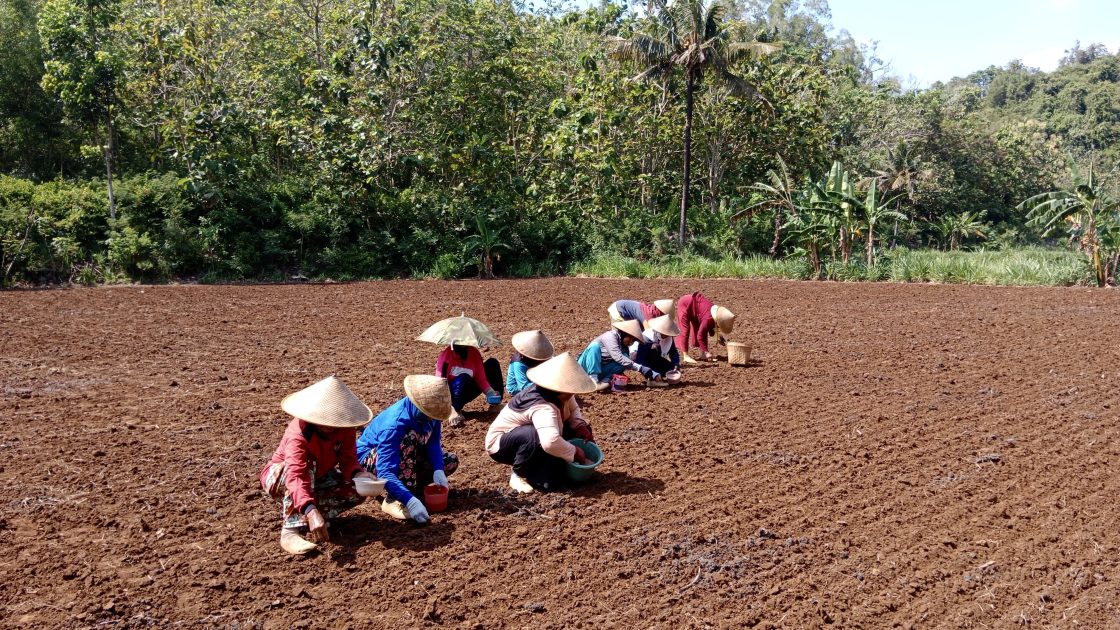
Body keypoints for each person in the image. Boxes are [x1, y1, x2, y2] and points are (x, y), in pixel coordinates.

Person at [260, 376, 377, 555]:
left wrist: (358, 475)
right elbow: (296, 475)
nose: (330, 426)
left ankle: (312, 517)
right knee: (308, 464)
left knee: (357, 490)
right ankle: (290, 530)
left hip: (319, 475)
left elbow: (348, 460)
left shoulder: (345, 429)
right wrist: (310, 509)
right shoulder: (299, 434)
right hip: (282, 478)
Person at [486, 352, 597, 493]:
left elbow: (573, 408)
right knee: (533, 435)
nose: (572, 394)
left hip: (542, 436)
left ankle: (560, 467)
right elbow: (550, 441)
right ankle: (519, 474)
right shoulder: (543, 406)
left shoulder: (561, 393)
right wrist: (575, 451)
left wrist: (580, 426)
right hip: (502, 443)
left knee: (579, 431)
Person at [357, 375, 457, 524]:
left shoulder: (432, 413)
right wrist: (409, 501)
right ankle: (393, 498)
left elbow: (433, 443)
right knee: (408, 439)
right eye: (429, 415)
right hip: (373, 462)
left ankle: (410, 490)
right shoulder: (395, 424)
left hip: (406, 457)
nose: (432, 420)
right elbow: (385, 471)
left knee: (449, 461)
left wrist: (438, 469)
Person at [577, 319, 664, 391]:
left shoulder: (624, 348)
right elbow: (617, 356)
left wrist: (650, 373)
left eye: (633, 341)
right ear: (624, 333)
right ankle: (594, 381)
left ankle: (605, 382)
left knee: (625, 358)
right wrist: (641, 368)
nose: (630, 343)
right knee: (594, 347)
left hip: (601, 369)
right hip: (584, 368)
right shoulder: (610, 336)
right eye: (630, 339)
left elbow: (624, 361)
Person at [436, 342, 503, 424]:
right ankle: (455, 409)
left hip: (466, 389)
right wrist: (450, 409)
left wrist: (490, 392)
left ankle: (495, 405)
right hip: (450, 396)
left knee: (492, 363)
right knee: (464, 377)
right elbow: (440, 384)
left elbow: (481, 379)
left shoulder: (474, 353)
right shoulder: (446, 355)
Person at [675, 292, 736, 363]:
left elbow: (709, 327)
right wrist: (707, 352)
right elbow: (700, 335)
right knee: (685, 330)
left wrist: (717, 335)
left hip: (695, 308)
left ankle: (702, 354)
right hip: (685, 303)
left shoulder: (714, 314)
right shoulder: (709, 318)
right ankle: (686, 355)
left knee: (701, 328)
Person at [633, 314, 681, 386]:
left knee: (671, 369)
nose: (667, 336)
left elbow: (673, 352)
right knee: (655, 347)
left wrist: (676, 364)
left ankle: (658, 375)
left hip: (654, 357)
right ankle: (652, 378)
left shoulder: (668, 338)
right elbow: (640, 359)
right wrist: (652, 373)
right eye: (665, 333)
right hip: (638, 357)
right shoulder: (647, 337)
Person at [506, 329, 555, 396]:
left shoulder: (542, 357)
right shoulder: (519, 363)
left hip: (534, 381)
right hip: (516, 388)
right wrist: (545, 384)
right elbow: (523, 386)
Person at [607, 298, 676, 326]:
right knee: (621, 337)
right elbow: (647, 334)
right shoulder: (649, 316)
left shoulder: (651, 309)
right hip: (619, 311)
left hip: (620, 306)